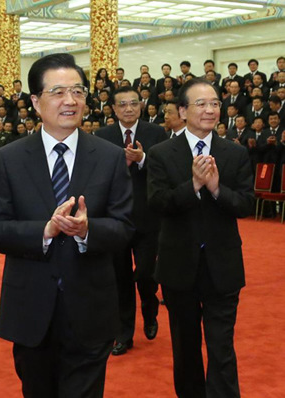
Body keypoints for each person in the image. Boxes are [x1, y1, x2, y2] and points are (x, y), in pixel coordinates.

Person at [0, 53, 134, 398]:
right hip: (31, 310)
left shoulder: (110, 156)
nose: (71, 101)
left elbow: (125, 227)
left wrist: (86, 230)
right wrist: (45, 231)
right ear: (35, 102)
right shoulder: (9, 158)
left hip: (91, 308)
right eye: (58, 92)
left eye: (78, 92)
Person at [147, 78, 254, 397]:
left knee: (222, 347)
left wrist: (217, 189)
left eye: (215, 104)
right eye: (201, 104)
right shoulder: (161, 154)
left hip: (223, 264)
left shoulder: (234, 154)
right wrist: (192, 185)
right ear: (182, 110)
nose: (210, 110)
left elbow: (246, 204)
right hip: (179, 265)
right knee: (186, 346)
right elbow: (158, 203)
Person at [96, 86, 167, 356]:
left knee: (146, 275)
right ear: (113, 109)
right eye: (122, 104)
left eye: (133, 103)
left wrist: (143, 159)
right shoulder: (102, 136)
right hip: (115, 219)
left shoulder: (155, 133)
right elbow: (98, 175)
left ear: (141, 106)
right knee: (120, 278)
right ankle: (123, 334)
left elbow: (164, 171)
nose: (128, 108)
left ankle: (150, 312)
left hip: (148, 217)